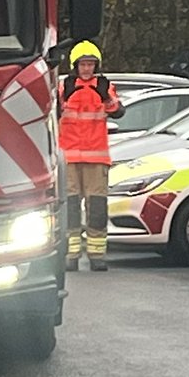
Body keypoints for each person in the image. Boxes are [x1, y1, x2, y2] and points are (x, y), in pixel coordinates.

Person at [58, 40, 125, 271]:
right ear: (75, 66)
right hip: (70, 158)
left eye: (90, 64)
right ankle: (71, 254)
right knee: (70, 207)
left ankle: (97, 255)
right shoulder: (64, 87)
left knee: (97, 207)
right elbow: (51, 112)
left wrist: (106, 96)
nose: (87, 69)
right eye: (83, 64)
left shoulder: (104, 86)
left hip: (96, 158)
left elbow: (118, 111)